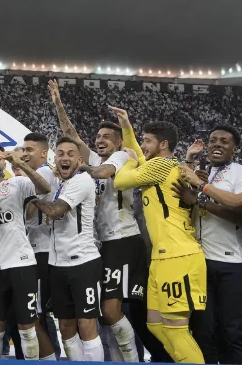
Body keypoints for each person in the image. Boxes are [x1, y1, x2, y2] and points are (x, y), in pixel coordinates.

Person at [48, 80, 144, 362]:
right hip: (104, 244)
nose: (99, 140)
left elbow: (101, 172)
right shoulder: (91, 157)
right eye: (98, 136)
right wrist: (58, 105)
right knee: (104, 314)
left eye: (106, 136)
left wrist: (81, 166)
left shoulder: (123, 155)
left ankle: (132, 360)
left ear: (117, 142)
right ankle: (117, 358)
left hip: (124, 239)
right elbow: (71, 137)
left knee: (113, 311)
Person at [111, 107, 206, 364]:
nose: (142, 145)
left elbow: (121, 180)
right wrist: (126, 125)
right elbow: (140, 155)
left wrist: (128, 159)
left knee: (176, 329)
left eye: (147, 141)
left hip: (179, 256)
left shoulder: (163, 166)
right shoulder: (158, 166)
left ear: (163, 145)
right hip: (161, 258)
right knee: (155, 324)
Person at [0, 142, 51, 360]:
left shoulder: (18, 183)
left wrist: (19, 163)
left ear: (4, 162)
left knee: (27, 325)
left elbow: (45, 188)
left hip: (21, 263)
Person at [32, 136, 104, 362]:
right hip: (57, 264)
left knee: (86, 323)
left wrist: (30, 197)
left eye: (70, 154)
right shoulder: (59, 184)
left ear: (80, 160)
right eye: (60, 153)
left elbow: (54, 211)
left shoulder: (83, 181)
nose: (65, 157)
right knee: (65, 325)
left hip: (83, 263)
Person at [175, 126, 242, 364]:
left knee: (231, 330)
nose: (217, 145)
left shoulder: (238, 172)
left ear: (235, 148)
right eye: (213, 140)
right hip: (199, 262)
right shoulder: (202, 173)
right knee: (203, 329)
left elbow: (238, 211)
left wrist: (201, 195)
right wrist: (190, 162)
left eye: (225, 141)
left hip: (231, 263)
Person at [21, 132, 62, 360]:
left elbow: (30, 210)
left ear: (44, 153)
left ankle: (50, 358)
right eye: (23, 150)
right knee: (40, 312)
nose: (25, 154)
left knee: (38, 313)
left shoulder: (43, 172)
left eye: (29, 150)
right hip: (44, 249)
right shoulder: (39, 173)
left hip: (41, 250)